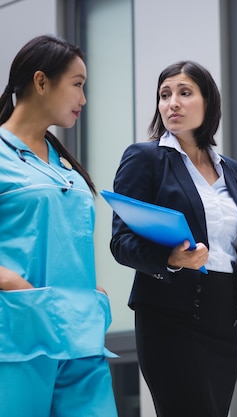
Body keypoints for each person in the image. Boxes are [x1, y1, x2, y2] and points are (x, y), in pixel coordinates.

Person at [109, 60, 237, 417]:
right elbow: (121, 242)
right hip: (168, 316)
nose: (172, 102)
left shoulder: (230, 169)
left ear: (208, 103)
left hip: (222, 318)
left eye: (184, 93)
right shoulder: (145, 159)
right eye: (164, 94)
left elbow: (227, 253)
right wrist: (172, 259)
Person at [0, 35, 118, 416]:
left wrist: (91, 291)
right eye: (78, 85)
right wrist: (12, 282)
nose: (83, 99)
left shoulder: (63, 163)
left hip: (80, 333)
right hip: (20, 335)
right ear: (40, 82)